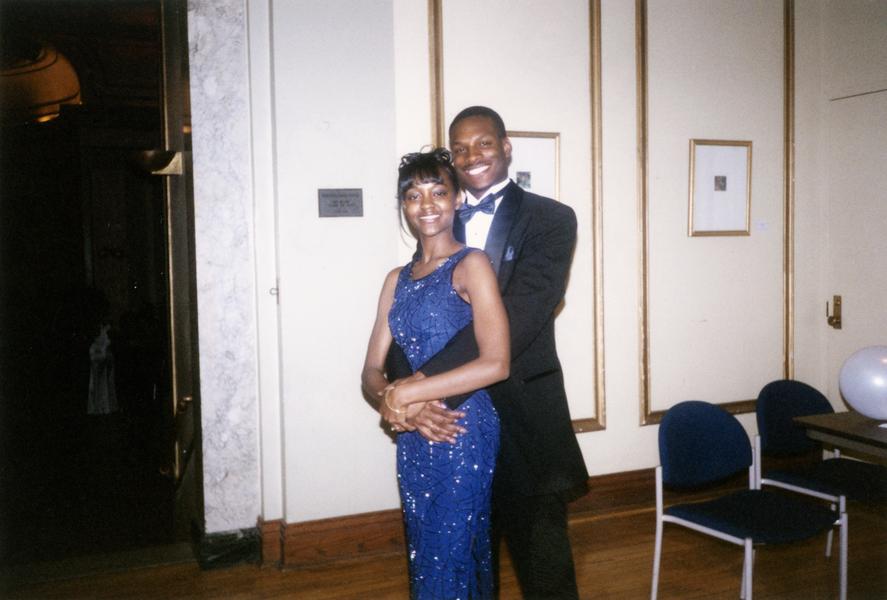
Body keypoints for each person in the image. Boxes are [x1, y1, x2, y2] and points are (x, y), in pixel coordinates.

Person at [386, 106, 589, 599]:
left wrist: (420, 389)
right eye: (459, 148)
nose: (471, 155)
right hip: (451, 430)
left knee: (545, 574)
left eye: (483, 143)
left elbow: (520, 318)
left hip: (523, 420)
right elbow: (414, 318)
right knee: (467, 569)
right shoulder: (438, 219)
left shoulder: (551, 219)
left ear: (506, 147)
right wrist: (406, 398)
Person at [362, 147, 511, 599]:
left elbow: (496, 362)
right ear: (403, 206)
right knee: (424, 551)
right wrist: (398, 403)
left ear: (458, 199)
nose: (426, 205)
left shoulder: (472, 265)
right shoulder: (396, 279)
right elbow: (371, 370)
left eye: (438, 192)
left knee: (452, 552)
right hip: (413, 433)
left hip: (460, 427)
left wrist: (408, 396)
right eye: (413, 196)